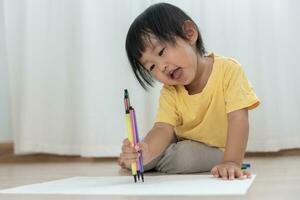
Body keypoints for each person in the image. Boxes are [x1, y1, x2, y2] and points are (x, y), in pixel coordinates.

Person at [118, 3, 260, 180]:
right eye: (152, 66)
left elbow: (238, 118)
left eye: (161, 51)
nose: (161, 66)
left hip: (217, 149)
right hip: (180, 141)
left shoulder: (229, 70)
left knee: (185, 157)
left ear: (189, 33)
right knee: (145, 153)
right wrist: (143, 149)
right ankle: (144, 158)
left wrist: (231, 161)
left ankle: (155, 159)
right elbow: (163, 128)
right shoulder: (170, 91)